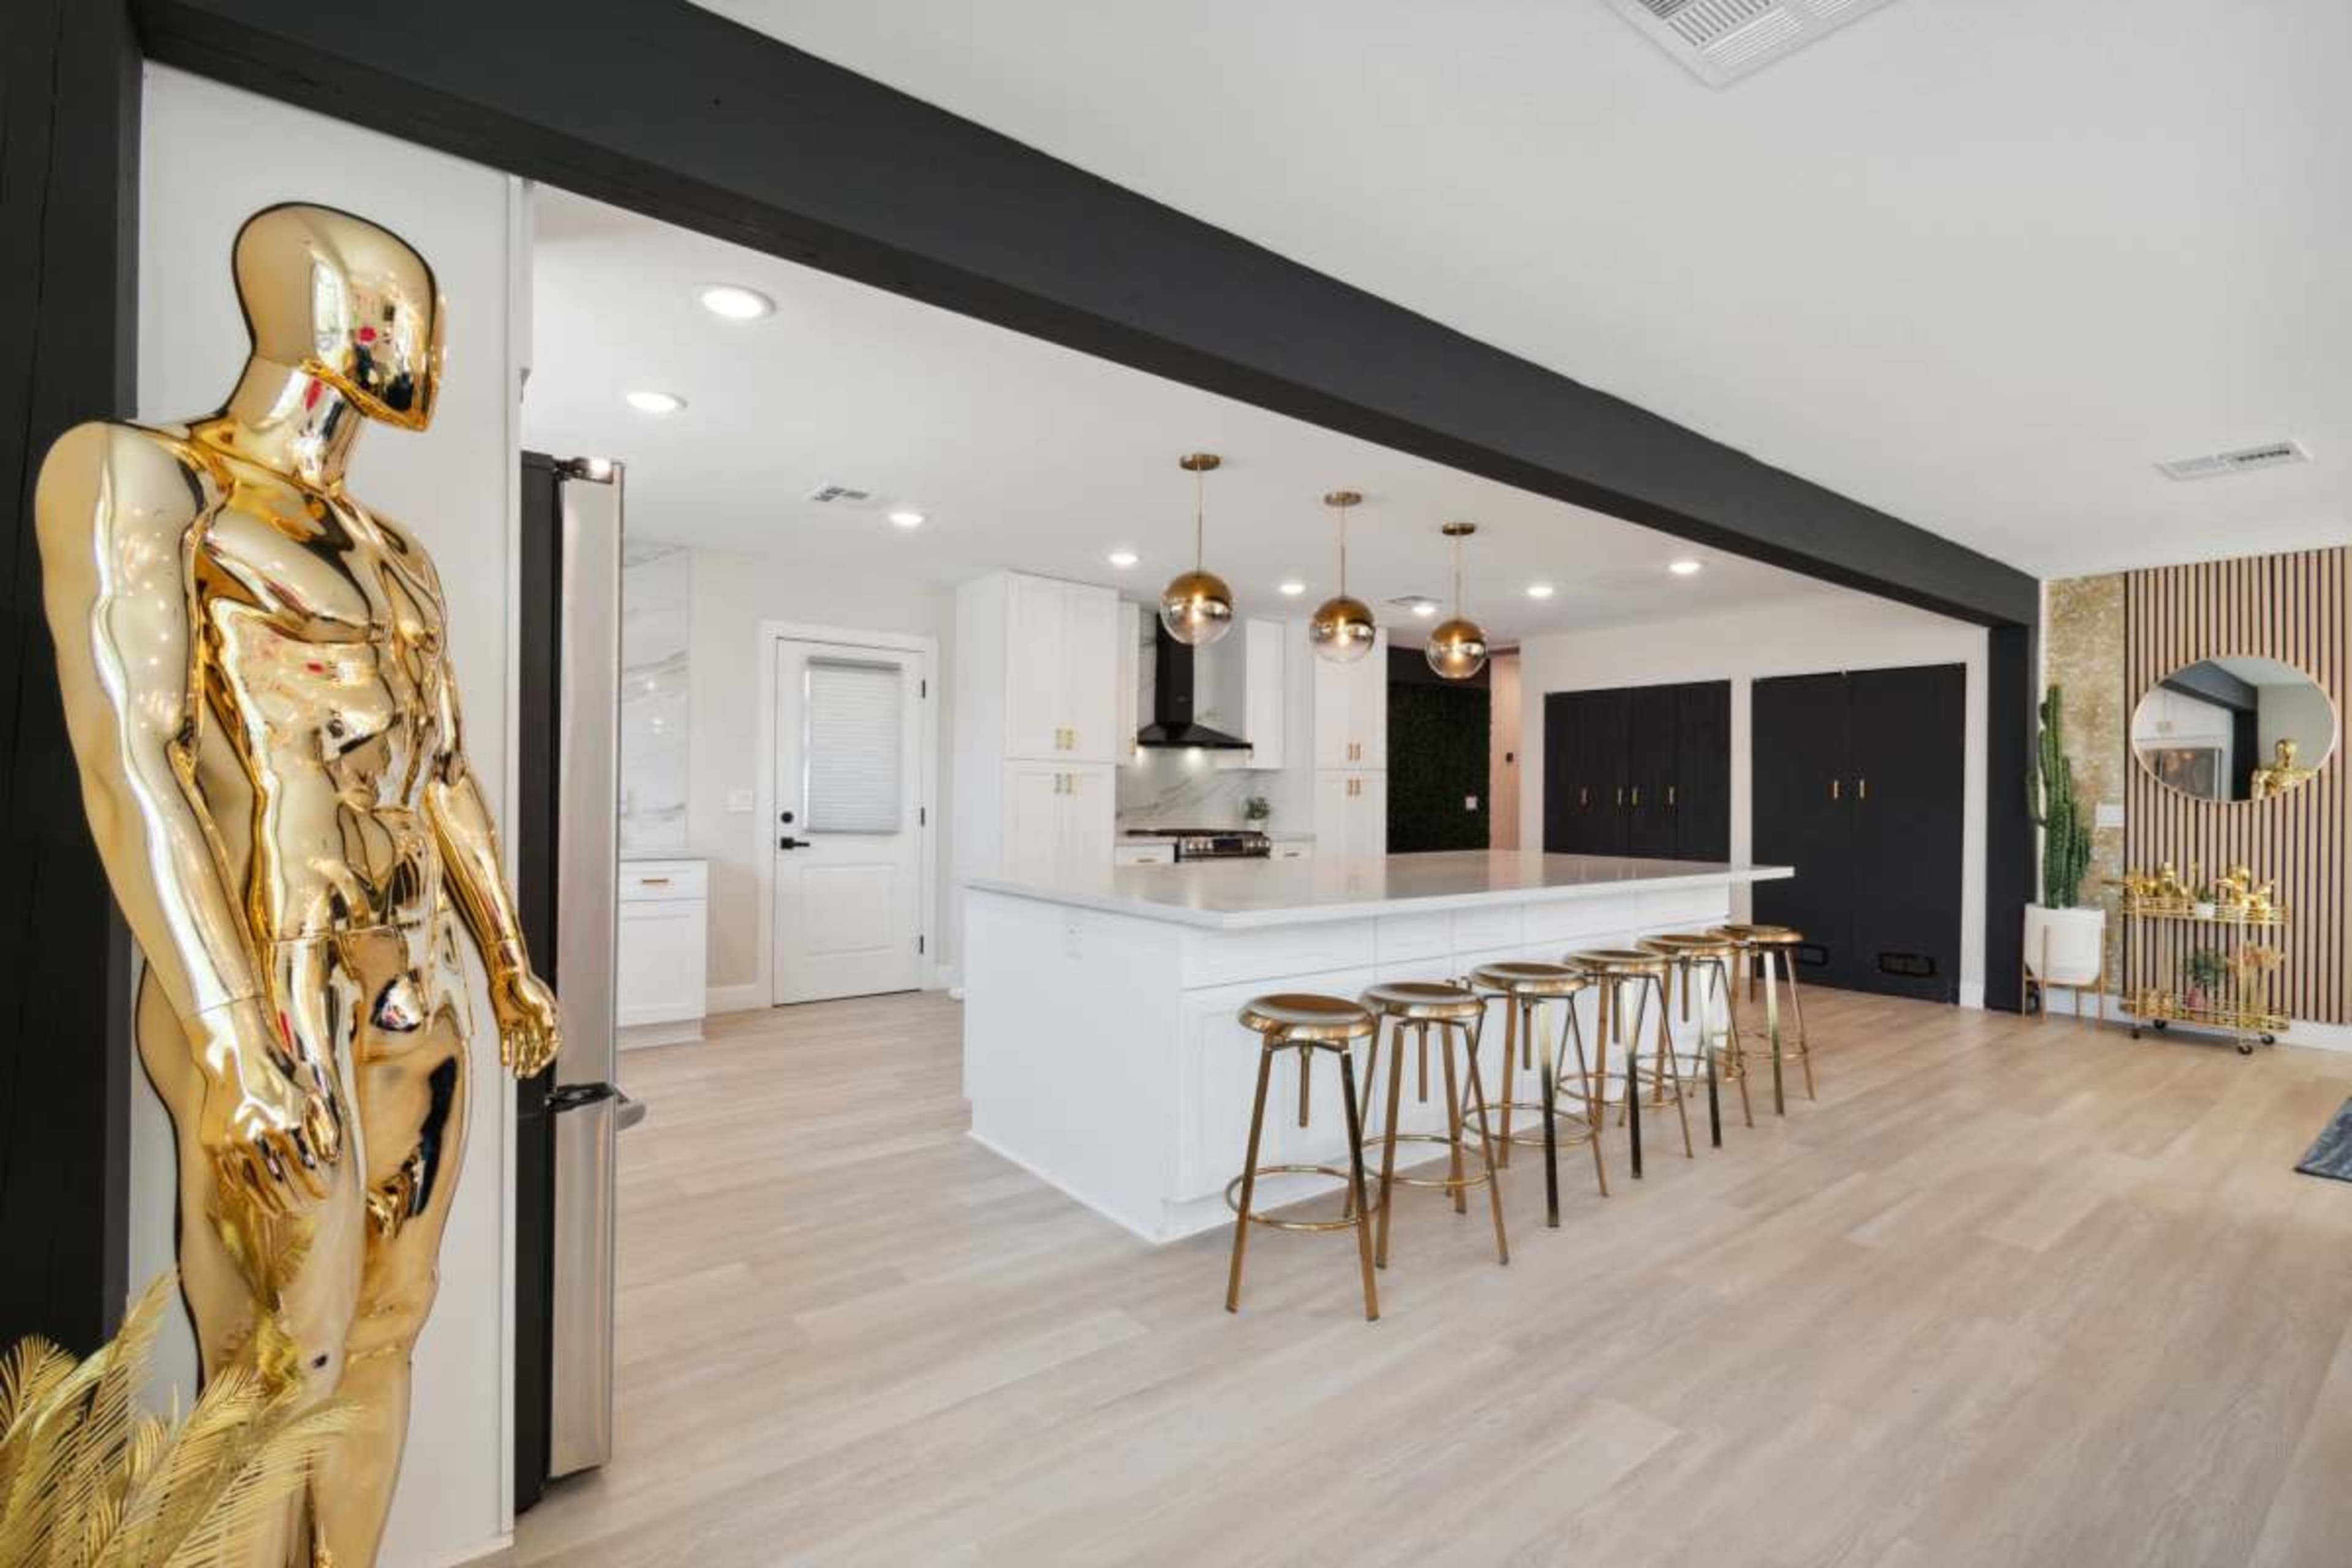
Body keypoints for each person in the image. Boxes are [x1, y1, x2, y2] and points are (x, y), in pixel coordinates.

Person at [36, 203, 560, 1568]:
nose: (415, 340)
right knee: (277, 1359)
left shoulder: (395, 550)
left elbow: (444, 769)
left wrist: (507, 956)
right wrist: (229, 1030)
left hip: (418, 982)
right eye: (390, 306)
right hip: (270, 983)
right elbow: (130, 763)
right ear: (317, 311)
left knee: (393, 1322)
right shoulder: (144, 477)